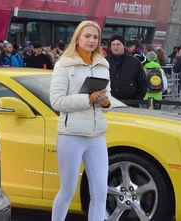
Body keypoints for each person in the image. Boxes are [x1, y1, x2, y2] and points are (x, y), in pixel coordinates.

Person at [49, 20, 111, 221]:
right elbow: (57, 101)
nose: (91, 40)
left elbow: (107, 98)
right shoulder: (64, 65)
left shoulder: (103, 64)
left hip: (97, 135)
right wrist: (89, 99)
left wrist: (104, 102)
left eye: (95, 37)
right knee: (67, 191)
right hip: (71, 135)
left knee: (101, 192)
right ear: (77, 38)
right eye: (87, 36)